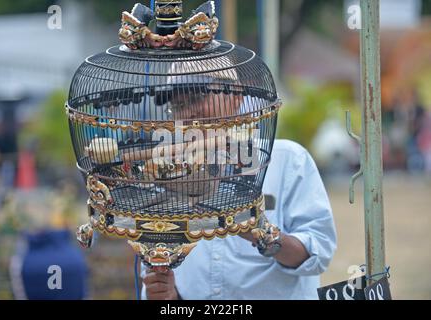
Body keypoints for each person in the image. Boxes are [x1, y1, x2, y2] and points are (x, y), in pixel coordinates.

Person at [141, 71, 337, 300]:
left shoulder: (286, 159)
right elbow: (152, 263)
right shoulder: (162, 172)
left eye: (197, 98)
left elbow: (318, 254)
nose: (189, 113)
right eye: (179, 105)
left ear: (235, 97)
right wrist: (166, 294)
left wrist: (257, 231)